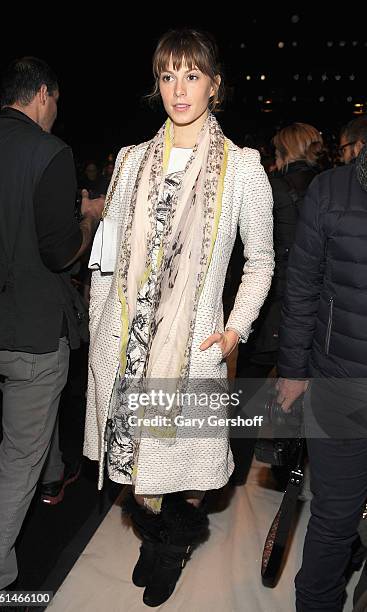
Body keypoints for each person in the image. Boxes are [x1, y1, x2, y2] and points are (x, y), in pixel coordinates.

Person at [85, 28, 274, 607]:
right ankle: (156, 535)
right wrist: (99, 316)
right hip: (128, 345)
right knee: (139, 461)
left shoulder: (241, 168)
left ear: (214, 85)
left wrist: (235, 328)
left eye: (192, 75)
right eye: (168, 76)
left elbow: (262, 261)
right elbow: (107, 246)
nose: (179, 89)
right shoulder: (132, 160)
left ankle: (170, 547)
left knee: (185, 465)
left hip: (193, 345)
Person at [0, 57, 104, 611]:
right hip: (32, 331)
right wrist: (89, 217)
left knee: (29, 418)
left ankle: (56, 474)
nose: (56, 112)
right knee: (17, 460)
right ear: (42, 94)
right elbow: (61, 250)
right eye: (55, 102)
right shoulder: (49, 152)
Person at [276, 133, 367, 610]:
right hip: (339, 385)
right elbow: (302, 287)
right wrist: (293, 372)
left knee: (337, 518)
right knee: (334, 518)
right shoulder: (330, 190)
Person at [231, 122, 325, 487]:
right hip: (312, 307)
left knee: (248, 392)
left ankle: (234, 472)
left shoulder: (272, 188)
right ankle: (288, 470)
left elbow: (254, 254)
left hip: (272, 301)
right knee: (299, 389)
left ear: (284, 151)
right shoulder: (330, 187)